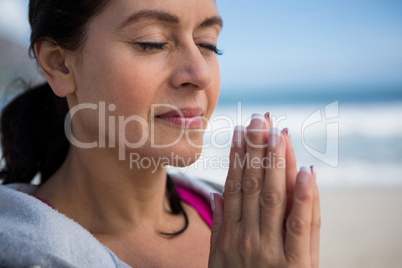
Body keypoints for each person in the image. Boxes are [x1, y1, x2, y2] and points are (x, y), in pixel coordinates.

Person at [0, 0, 321, 267]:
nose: (201, 74)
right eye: (152, 42)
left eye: (208, 44)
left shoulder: (239, 226)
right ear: (60, 65)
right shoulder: (21, 251)